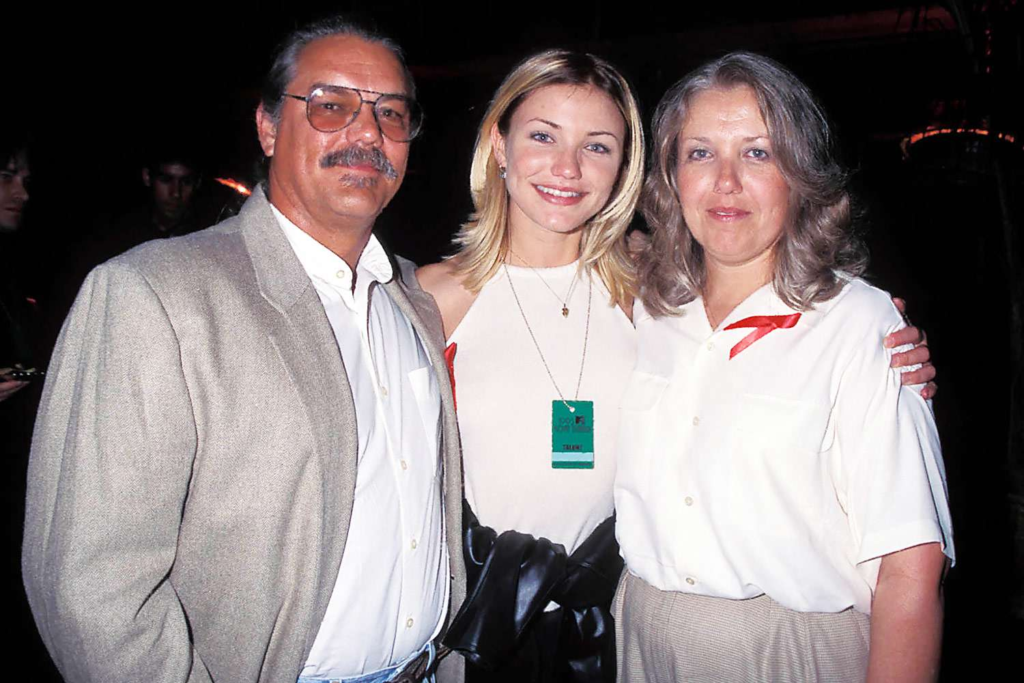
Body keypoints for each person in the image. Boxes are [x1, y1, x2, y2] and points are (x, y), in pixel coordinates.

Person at [417, 50, 935, 682]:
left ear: (625, 168)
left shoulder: (645, 293)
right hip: (482, 622)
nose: (567, 167)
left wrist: (880, 339)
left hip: (606, 629)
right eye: (543, 136)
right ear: (499, 146)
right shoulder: (427, 302)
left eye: (597, 146)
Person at [22, 16, 465, 683]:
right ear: (268, 127)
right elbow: (92, 588)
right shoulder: (155, 294)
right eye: (331, 106)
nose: (368, 133)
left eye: (391, 114)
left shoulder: (411, 299)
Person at [613, 52, 954, 682]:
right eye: (700, 153)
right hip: (642, 637)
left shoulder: (859, 324)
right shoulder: (642, 309)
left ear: (799, 175)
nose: (726, 181)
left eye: (758, 153)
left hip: (790, 650)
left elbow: (911, 567)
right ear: (670, 176)